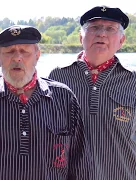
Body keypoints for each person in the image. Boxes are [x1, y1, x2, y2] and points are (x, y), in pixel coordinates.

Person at [0, 25, 89, 180]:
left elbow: (80, 164)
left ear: (37, 55)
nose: (17, 58)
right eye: (9, 52)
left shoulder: (64, 97)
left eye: (25, 51)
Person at [48, 6, 136, 180]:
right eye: (94, 27)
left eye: (110, 29)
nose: (101, 34)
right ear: (81, 37)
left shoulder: (133, 80)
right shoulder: (57, 76)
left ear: (121, 41)